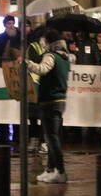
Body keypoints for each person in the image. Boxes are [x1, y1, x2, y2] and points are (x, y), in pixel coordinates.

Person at [27, 28, 72, 183]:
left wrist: (27, 63)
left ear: (48, 42)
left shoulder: (50, 56)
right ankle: (50, 169)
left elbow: (42, 69)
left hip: (50, 101)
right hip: (59, 101)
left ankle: (60, 171)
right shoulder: (65, 57)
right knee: (52, 136)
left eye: (43, 40)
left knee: (52, 138)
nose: (42, 43)